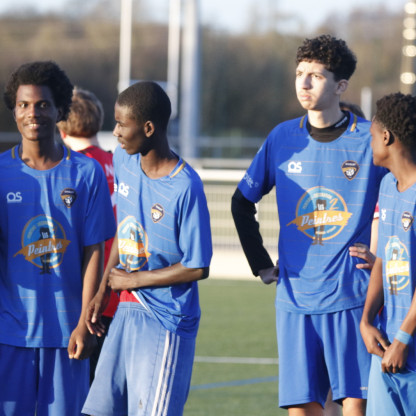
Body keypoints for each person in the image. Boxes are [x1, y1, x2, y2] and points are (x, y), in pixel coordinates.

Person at [231, 34, 387, 415]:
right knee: (301, 409)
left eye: (315, 76)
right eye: (299, 73)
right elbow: (241, 202)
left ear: (341, 86)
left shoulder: (369, 139)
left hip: (351, 298)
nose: (303, 83)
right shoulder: (282, 137)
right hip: (294, 300)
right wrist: (260, 264)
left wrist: (381, 258)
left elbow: (404, 195)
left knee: (356, 406)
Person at [82, 81, 212, 416]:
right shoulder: (123, 162)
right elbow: (124, 230)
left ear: (149, 128)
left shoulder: (186, 186)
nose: (115, 132)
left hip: (166, 319)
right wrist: (104, 290)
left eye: (122, 124)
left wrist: (133, 280)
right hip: (125, 310)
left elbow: (198, 266)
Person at [0, 61, 116, 415]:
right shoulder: (2, 173)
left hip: (69, 334)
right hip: (10, 334)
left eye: (43, 104)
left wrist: (85, 322)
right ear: (13, 110)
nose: (32, 113)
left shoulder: (86, 172)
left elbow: (94, 252)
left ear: (60, 110)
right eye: (23, 104)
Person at [57, 87, 119, 382]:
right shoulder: (118, 162)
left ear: (61, 128)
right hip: (122, 292)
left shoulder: (73, 170)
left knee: (80, 390)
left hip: (87, 297)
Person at [360, 92, 416, 415]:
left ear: (386, 137)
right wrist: (367, 321)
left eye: (371, 136)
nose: (369, 144)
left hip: (406, 345)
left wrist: (404, 338)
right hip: (386, 346)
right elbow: (382, 260)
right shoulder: (386, 187)